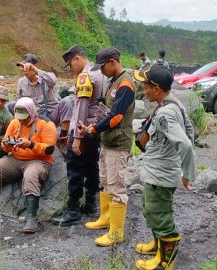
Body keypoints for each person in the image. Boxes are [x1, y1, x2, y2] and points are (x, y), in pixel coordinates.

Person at [132, 65, 195, 270]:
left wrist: (187, 173)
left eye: (145, 86)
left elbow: (185, 143)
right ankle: (156, 246)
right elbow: (189, 130)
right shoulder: (173, 103)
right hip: (156, 171)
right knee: (151, 210)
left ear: (156, 88)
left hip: (161, 174)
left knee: (160, 215)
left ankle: (166, 259)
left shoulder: (165, 113)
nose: (143, 91)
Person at [77, 47, 135, 247]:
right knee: (105, 181)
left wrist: (93, 129)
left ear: (112, 62)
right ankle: (106, 219)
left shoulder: (126, 84)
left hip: (118, 143)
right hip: (108, 141)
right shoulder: (113, 82)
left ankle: (116, 232)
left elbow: (117, 116)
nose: (101, 71)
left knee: (117, 186)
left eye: (103, 67)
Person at [0, 97, 57, 234]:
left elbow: (49, 149)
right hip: (15, 158)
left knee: (31, 176)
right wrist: (7, 144)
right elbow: (4, 146)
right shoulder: (15, 122)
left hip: (38, 161)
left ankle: (32, 218)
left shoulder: (46, 124)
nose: (22, 120)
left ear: (31, 112)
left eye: (24, 117)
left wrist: (30, 144)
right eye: (19, 117)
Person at [52, 45, 106, 227]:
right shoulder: (101, 73)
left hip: (81, 128)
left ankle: (73, 209)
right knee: (92, 166)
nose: (70, 69)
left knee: (74, 169)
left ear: (77, 58)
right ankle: (91, 205)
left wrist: (76, 138)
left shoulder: (85, 76)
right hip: (95, 128)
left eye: (70, 65)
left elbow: (81, 107)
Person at [10, 53, 73, 155]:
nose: (25, 70)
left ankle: (62, 138)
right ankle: (19, 135)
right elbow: (19, 100)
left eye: (27, 67)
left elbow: (53, 81)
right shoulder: (21, 82)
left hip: (52, 113)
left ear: (36, 66)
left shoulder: (46, 77)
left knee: (67, 102)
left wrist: (35, 70)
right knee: (12, 105)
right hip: (35, 115)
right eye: (23, 67)